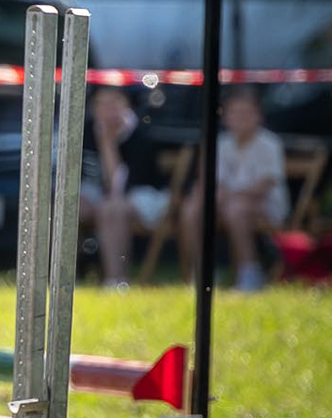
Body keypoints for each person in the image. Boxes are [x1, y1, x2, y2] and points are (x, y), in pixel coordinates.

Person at [181, 87, 289, 291]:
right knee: (192, 209)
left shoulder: (270, 144)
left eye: (247, 113)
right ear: (225, 116)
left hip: (266, 207)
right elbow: (212, 182)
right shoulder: (219, 143)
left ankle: (249, 273)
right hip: (225, 203)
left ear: (259, 116)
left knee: (236, 209)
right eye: (235, 112)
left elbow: (264, 186)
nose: (241, 118)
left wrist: (227, 196)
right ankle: (201, 272)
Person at [81, 85, 172, 286]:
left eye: (114, 103)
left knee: (111, 209)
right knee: (68, 206)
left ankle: (116, 279)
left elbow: (119, 185)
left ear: (127, 105)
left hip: (146, 196)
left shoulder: (142, 133)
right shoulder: (85, 131)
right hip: (102, 195)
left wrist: (107, 143)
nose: (107, 109)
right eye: (101, 104)